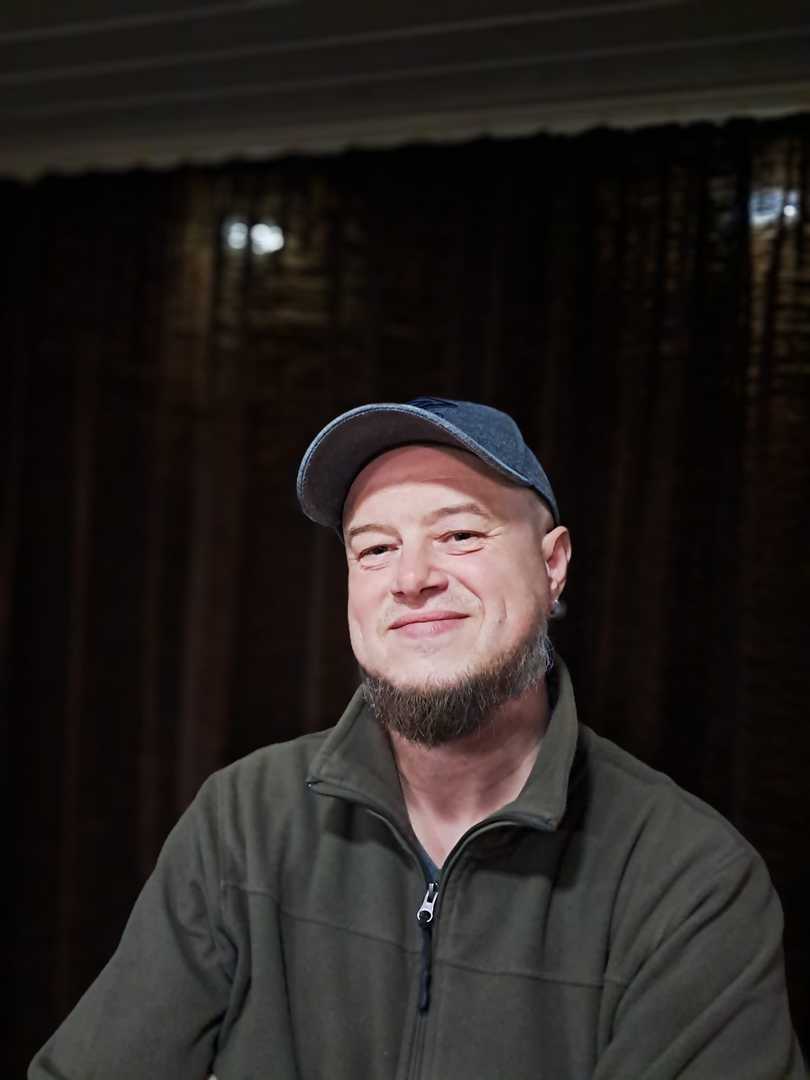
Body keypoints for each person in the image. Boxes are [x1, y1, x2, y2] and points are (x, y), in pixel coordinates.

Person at [29, 397, 805, 1079]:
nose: (412, 578)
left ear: (554, 566)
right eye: (375, 548)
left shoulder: (689, 882)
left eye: (460, 534)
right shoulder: (245, 823)